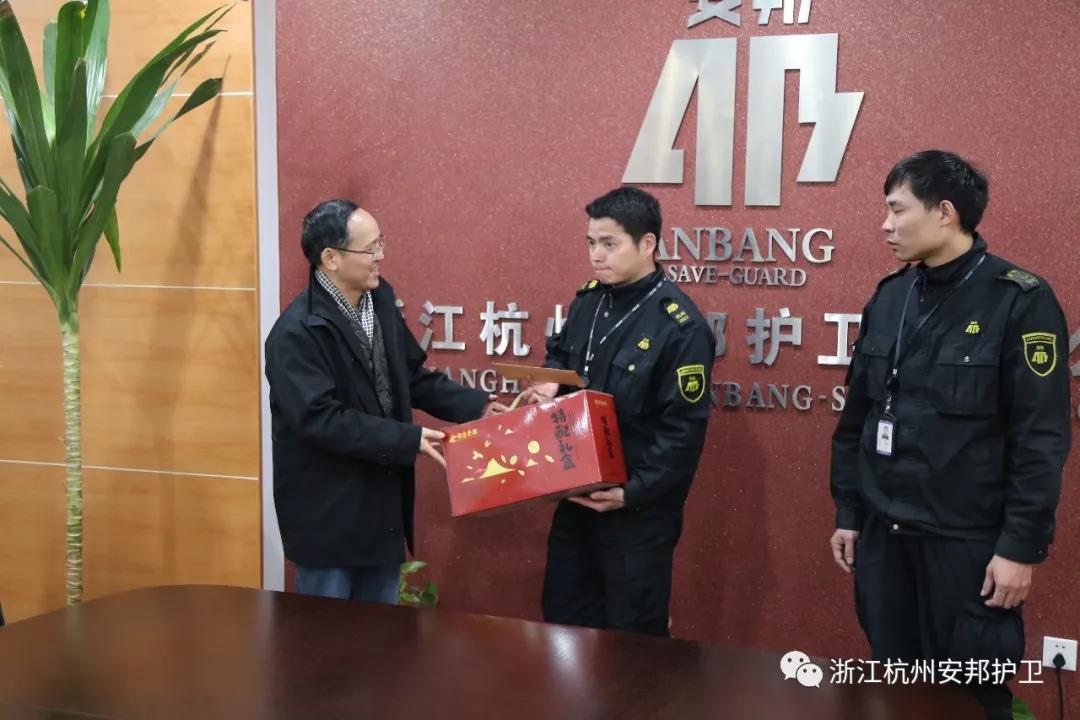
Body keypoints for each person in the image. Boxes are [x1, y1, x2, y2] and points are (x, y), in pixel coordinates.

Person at [829, 151, 1072, 718]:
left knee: (972, 699)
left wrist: (1019, 548)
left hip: (968, 548)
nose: (885, 225)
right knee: (896, 691)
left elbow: (1040, 439)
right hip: (886, 540)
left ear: (944, 212)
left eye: (897, 210)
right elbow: (858, 418)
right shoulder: (891, 296)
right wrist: (849, 511)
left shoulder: (1020, 300)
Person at [266, 199, 507, 603]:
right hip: (328, 516)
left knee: (381, 634)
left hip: (381, 509)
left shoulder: (379, 300)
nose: (381, 256)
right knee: (329, 637)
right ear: (331, 258)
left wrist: (477, 406)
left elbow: (409, 376)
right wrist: (408, 439)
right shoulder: (296, 333)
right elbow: (321, 420)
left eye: (381, 243)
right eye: (370, 248)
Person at [526, 187, 714, 636]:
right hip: (575, 495)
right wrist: (551, 379)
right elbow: (560, 354)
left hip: (636, 513)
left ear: (647, 244)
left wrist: (631, 493)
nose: (596, 255)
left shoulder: (680, 327)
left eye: (609, 244)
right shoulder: (588, 301)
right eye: (591, 243)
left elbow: (682, 433)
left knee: (631, 640)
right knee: (563, 623)